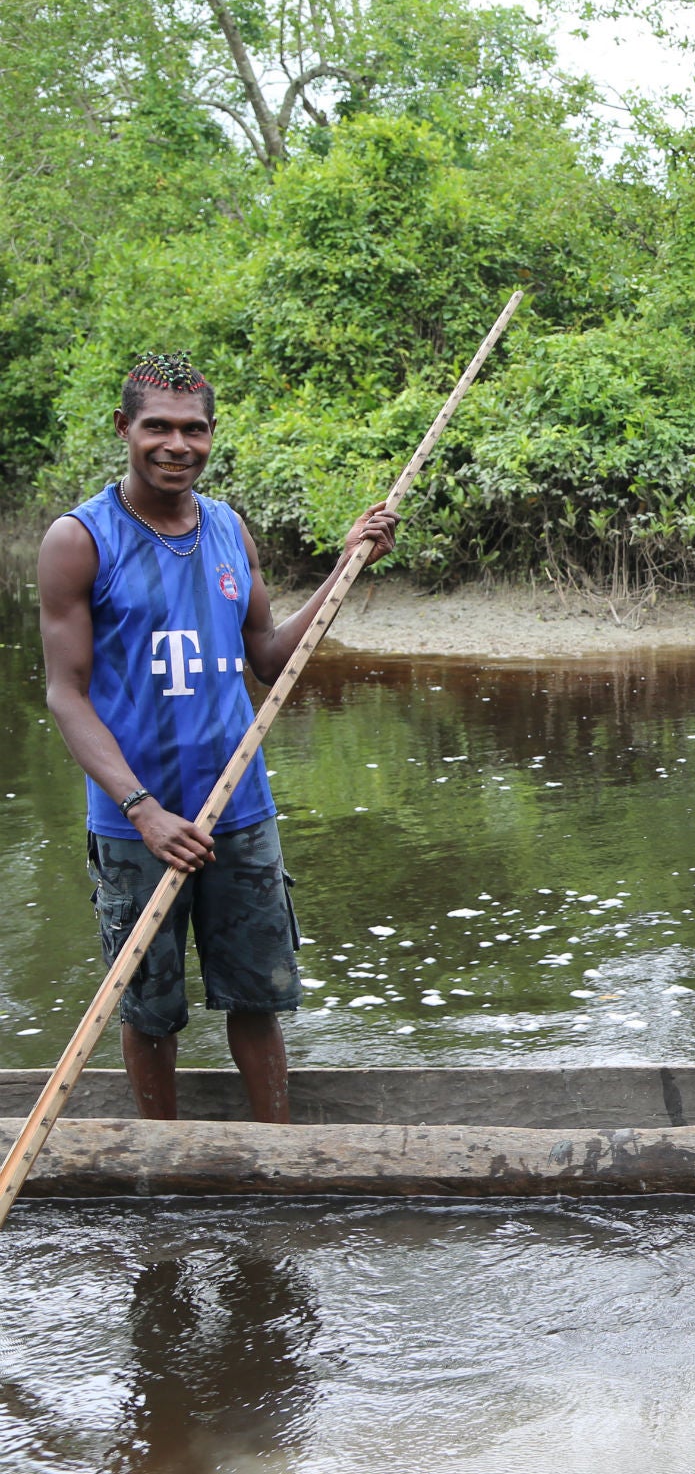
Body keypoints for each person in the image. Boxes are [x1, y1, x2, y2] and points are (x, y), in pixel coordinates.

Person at [38, 353, 395, 1122]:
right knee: (150, 1010)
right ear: (123, 429)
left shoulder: (230, 528)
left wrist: (344, 569)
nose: (177, 445)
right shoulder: (80, 541)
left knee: (257, 998)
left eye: (194, 430)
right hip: (139, 825)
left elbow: (269, 657)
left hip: (239, 812)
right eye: (158, 427)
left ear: (211, 435)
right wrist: (143, 810)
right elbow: (65, 695)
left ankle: (276, 1154)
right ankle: (160, 1161)